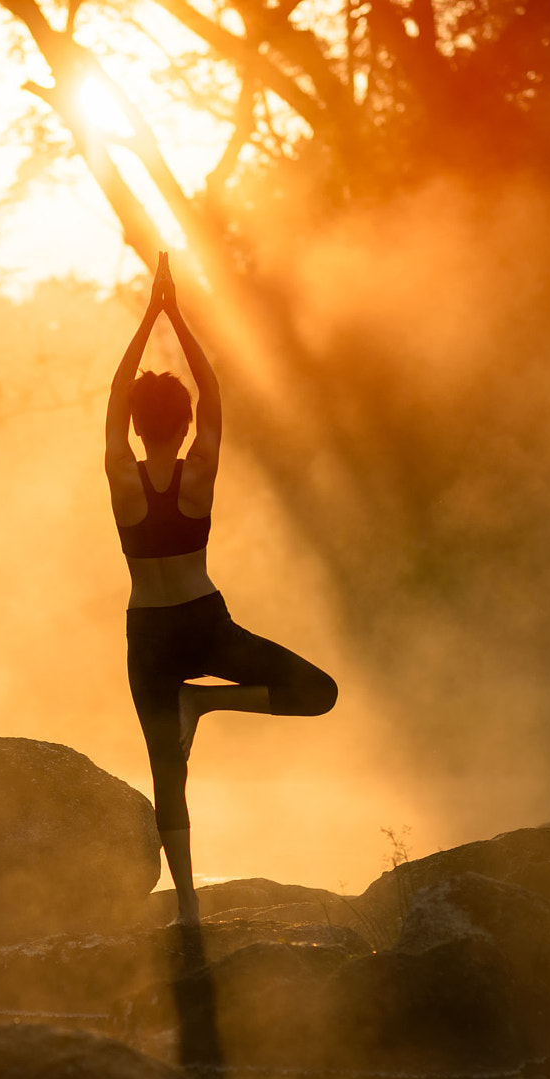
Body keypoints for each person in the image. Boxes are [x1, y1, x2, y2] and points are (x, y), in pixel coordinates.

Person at [106, 252, 337, 926]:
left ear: (138, 428)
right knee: (318, 693)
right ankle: (206, 704)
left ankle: (185, 906)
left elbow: (116, 396)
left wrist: (148, 313)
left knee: (163, 772)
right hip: (205, 624)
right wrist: (177, 314)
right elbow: (214, 394)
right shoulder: (200, 468)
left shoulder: (121, 476)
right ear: (180, 427)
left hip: (148, 634)